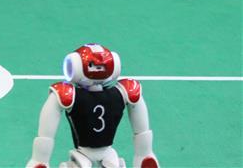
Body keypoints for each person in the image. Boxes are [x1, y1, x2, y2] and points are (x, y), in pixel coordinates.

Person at [25, 43, 159, 167]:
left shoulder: (68, 94)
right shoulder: (123, 92)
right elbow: (142, 130)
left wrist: (40, 159)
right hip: (107, 155)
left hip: (84, 155)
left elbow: (46, 134)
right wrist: (144, 154)